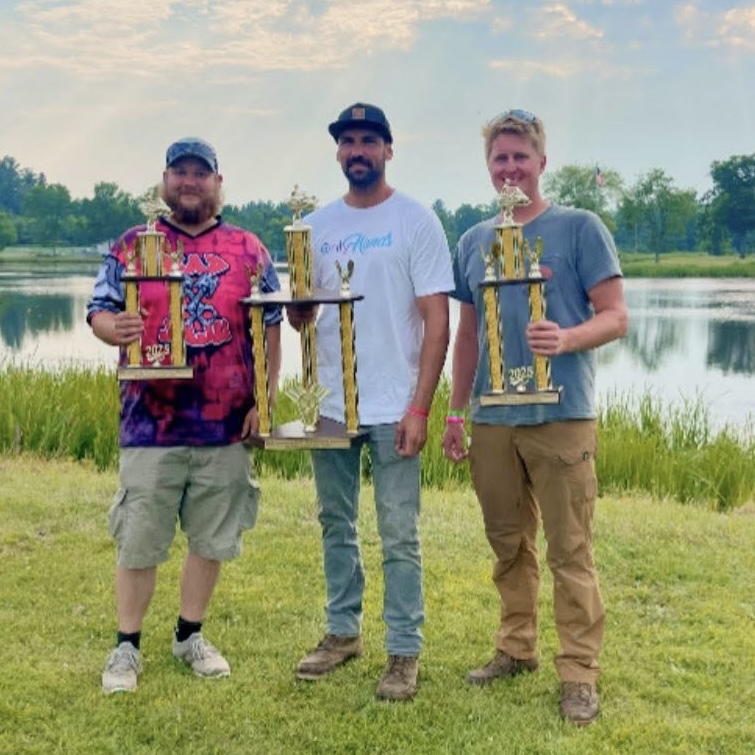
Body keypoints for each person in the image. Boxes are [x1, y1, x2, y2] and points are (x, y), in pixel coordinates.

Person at [442, 109, 628, 725]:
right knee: (507, 542)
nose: (510, 168)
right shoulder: (473, 241)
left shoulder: (579, 228)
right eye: (500, 158)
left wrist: (567, 338)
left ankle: (579, 673)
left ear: (542, 162)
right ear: (488, 166)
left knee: (569, 549)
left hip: (561, 414)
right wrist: (455, 412)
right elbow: (468, 335)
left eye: (521, 156)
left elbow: (616, 316)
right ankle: (516, 647)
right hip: (493, 420)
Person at [87, 137, 282, 694]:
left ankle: (189, 634)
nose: (190, 181)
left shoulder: (248, 248)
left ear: (218, 182)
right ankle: (127, 645)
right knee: (139, 537)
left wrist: (265, 401)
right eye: (180, 172)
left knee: (211, 536)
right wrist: (116, 329)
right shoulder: (133, 244)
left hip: (225, 424)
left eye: (200, 172)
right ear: (165, 180)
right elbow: (98, 311)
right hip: (151, 423)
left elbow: (271, 326)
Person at [288, 103, 453, 701]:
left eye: (368, 141)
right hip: (331, 404)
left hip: (393, 405)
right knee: (336, 521)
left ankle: (404, 651)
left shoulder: (416, 221)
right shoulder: (314, 227)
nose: (357, 151)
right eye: (348, 142)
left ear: (388, 149)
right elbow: (304, 316)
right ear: (338, 152)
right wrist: (296, 310)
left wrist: (420, 407)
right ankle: (342, 632)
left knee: (398, 532)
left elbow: (438, 322)